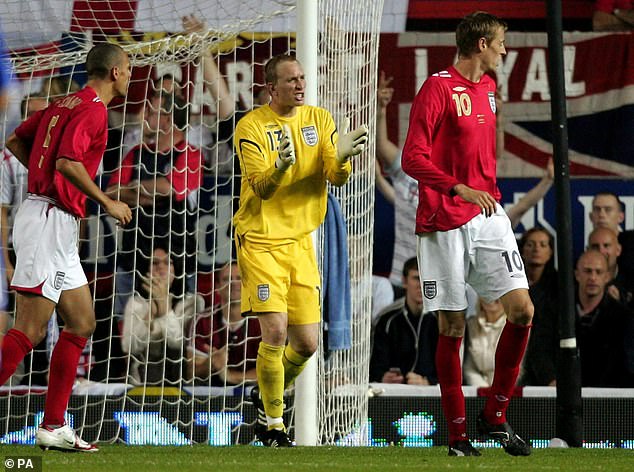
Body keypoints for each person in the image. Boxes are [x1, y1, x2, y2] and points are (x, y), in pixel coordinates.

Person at [401, 12, 533, 457]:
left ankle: (494, 415)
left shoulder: (490, 89)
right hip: (442, 220)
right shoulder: (437, 88)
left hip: (488, 213)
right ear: (481, 45)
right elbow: (411, 158)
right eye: (500, 43)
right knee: (453, 324)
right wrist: (458, 187)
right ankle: (458, 435)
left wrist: (479, 190)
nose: (504, 50)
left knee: (522, 311)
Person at [0, 43, 132, 452]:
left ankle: (54, 425)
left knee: (81, 323)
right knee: (29, 329)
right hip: (48, 223)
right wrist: (107, 201)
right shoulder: (93, 110)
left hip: (54, 221)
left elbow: (15, 140)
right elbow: (67, 163)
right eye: (128, 69)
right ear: (113, 72)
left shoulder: (62, 102)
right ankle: (53, 423)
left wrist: (42, 178)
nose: (129, 75)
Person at [233, 53, 368, 447]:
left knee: (307, 343)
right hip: (259, 241)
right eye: (291, 80)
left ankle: (266, 396)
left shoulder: (319, 120)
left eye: (302, 78)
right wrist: (279, 169)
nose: (300, 85)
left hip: (301, 242)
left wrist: (342, 160)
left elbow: (335, 177)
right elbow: (260, 187)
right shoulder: (251, 126)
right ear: (271, 88)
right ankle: (274, 425)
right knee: (274, 332)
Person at [106, 90, 204, 318]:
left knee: (178, 330)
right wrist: (151, 195)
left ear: (168, 119)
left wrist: (133, 188)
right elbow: (112, 193)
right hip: (133, 258)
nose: (144, 116)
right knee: (127, 331)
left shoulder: (190, 155)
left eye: (151, 111)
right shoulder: (136, 153)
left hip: (178, 263)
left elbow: (170, 189)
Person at [121, 245, 203, 385]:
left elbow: (177, 343)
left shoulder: (193, 302)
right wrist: (151, 313)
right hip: (141, 384)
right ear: (146, 269)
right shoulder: (135, 303)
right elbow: (129, 347)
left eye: (167, 263)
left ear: (176, 269)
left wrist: (164, 305)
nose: (161, 268)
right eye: (154, 263)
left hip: (181, 383)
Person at [189, 261, 261, 386]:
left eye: (239, 278)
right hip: (212, 398)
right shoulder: (203, 321)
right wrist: (211, 362)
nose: (233, 283)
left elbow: (274, 371)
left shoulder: (263, 321)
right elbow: (190, 373)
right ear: (217, 286)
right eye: (227, 279)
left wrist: (230, 376)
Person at [369, 257, 438, 385]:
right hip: (395, 393)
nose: (421, 285)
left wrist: (427, 381)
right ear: (404, 281)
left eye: (426, 279)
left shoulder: (439, 320)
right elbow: (375, 365)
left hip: (432, 394)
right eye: (417, 278)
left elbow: (451, 368)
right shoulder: (387, 319)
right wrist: (383, 377)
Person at [575, 249, 634, 387]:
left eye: (598, 272)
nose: (593, 278)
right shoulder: (559, 311)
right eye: (588, 271)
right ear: (577, 274)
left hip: (608, 397)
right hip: (565, 394)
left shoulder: (623, 318)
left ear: (607, 276)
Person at [517, 227, 559, 386]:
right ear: (521, 251)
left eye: (543, 245)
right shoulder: (510, 283)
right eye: (530, 244)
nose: (536, 249)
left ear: (551, 252)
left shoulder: (559, 287)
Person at [589, 191, 634, 292]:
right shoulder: (585, 256)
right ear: (591, 217)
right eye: (597, 209)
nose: (601, 215)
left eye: (608, 210)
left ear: (621, 217)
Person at [463, 298, 506, 387]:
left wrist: (498, 392)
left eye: (497, 292)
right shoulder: (470, 325)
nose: (490, 296)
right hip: (478, 393)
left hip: (508, 392)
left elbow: (519, 367)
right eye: (486, 290)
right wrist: (483, 391)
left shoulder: (516, 326)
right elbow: (469, 367)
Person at [588, 226, 632, 307]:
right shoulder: (579, 282)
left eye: (606, 245)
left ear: (618, 250)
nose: (601, 251)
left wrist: (621, 303)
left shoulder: (630, 280)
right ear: (588, 251)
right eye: (595, 246)